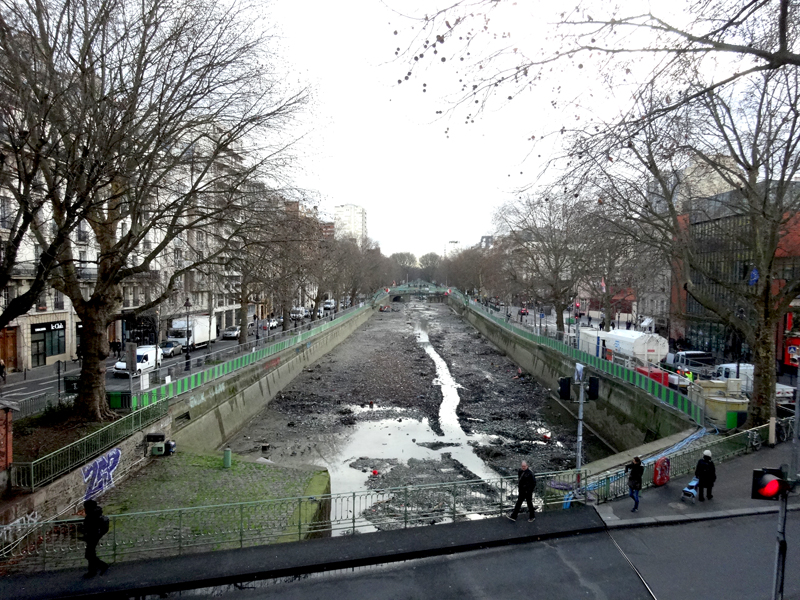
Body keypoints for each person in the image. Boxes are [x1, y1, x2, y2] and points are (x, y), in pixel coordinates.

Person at [82, 499, 109, 577]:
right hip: (94, 535)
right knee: (91, 554)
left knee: (89, 555)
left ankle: (101, 566)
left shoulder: (92, 514)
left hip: (92, 536)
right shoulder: (96, 513)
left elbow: (90, 526)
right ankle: (92, 571)